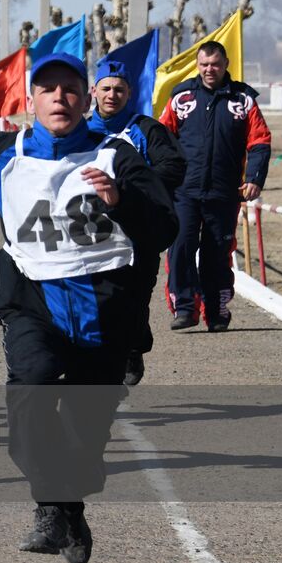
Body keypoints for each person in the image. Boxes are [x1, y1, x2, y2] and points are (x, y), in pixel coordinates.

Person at [0, 52, 178, 563]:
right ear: (32, 100)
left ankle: (72, 506)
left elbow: (164, 228)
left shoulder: (117, 158)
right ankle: (48, 505)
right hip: (31, 300)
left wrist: (121, 201)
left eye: (70, 90)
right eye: (48, 90)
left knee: (87, 433)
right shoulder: (1, 151)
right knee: (31, 392)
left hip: (105, 308)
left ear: (86, 99)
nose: (59, 98)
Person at [158, 41, 271, 332]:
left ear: (225, 65)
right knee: (181, 245)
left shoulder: (243, 98)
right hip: (184, 190)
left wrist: (255, 178)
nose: (210, 70)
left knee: (216, 251)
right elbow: (162, 137)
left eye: (215, 64)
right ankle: (184, 308)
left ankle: (216, 311)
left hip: (224, 190)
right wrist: (162, 177)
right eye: (205, 64)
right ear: (198, 65)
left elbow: (259, 140)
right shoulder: (182, 96)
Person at [88, 58, 185, 383]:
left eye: (119, 90)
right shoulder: (80, 132)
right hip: (92, 234)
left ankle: (134, 348)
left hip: (138, 233)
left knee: (134, 300)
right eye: (106, 88)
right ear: (94, 91)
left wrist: (130, 189)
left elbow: (172, 167)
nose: (112, 95)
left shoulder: (146, 129)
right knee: (99, 301)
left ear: (129, 93)